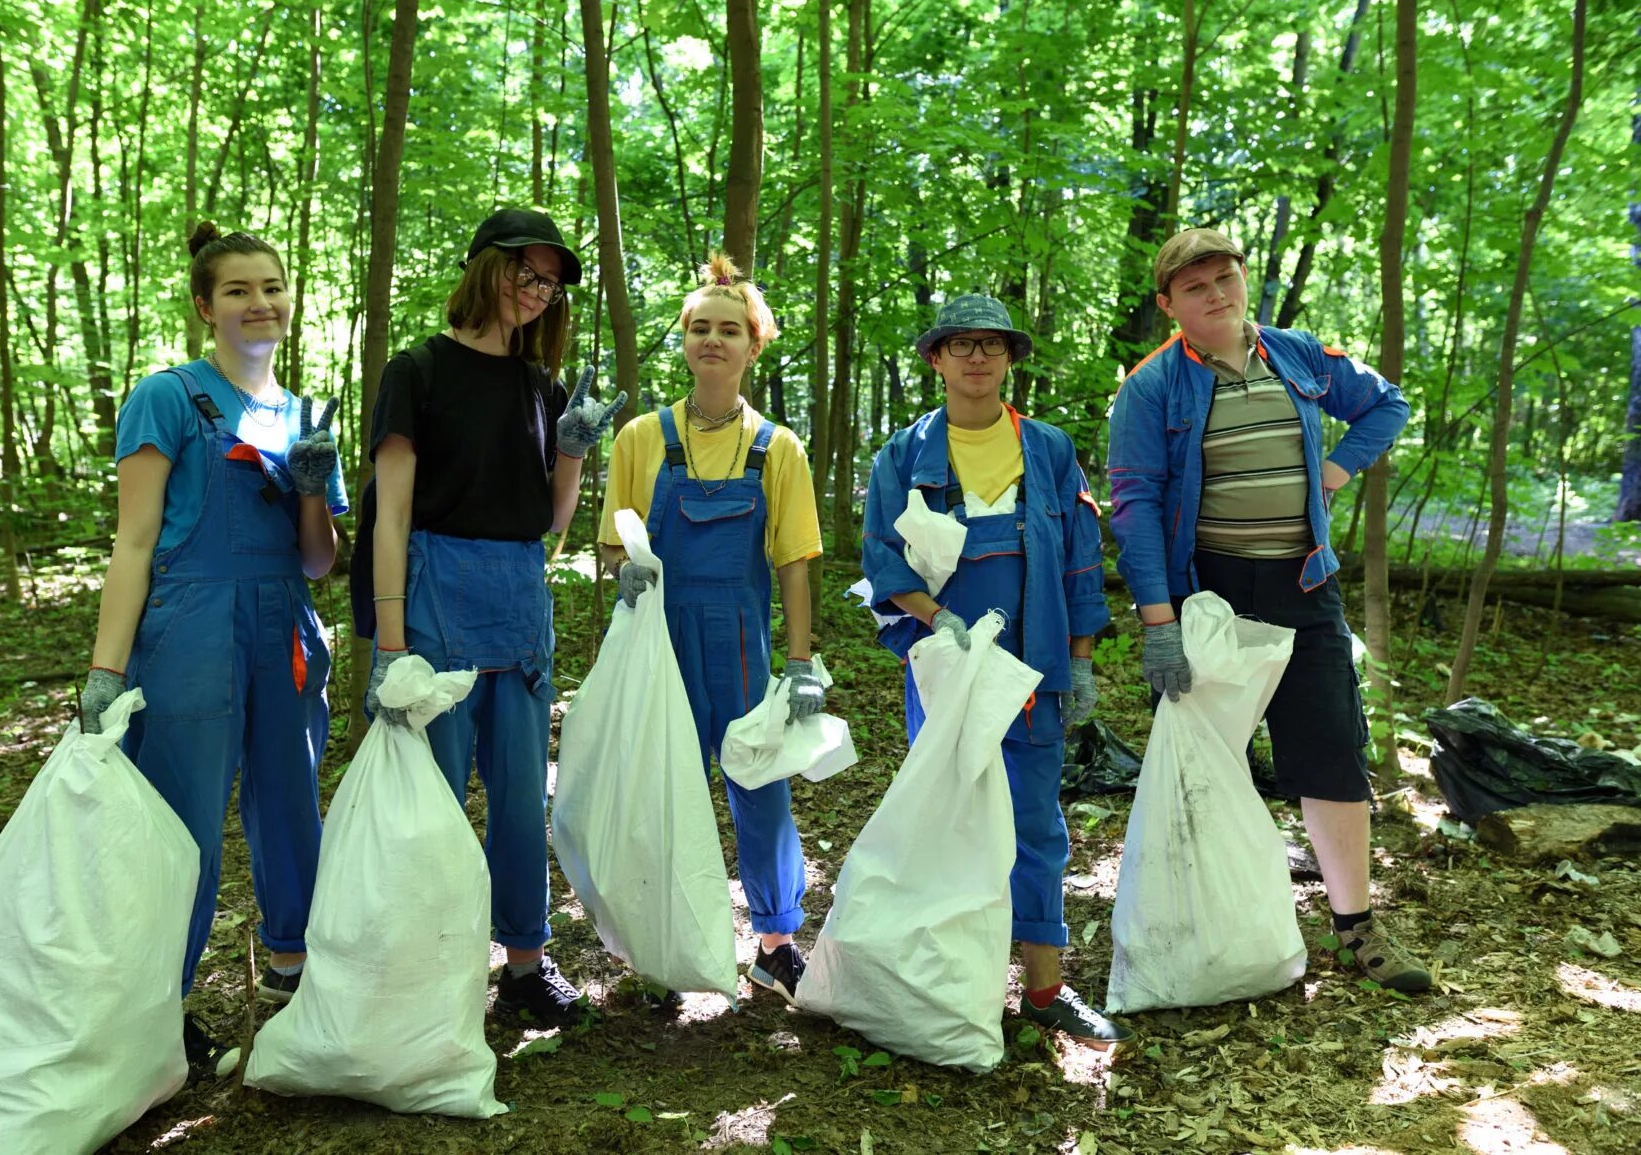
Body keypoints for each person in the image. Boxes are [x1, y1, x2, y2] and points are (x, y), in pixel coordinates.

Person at [1106, 228, 1428, 991]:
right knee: (1203, 763)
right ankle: (1188, 924)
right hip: (1212, 594)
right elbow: (1136, 505)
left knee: (1330, 750)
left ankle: (1357, 929)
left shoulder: (1299, 354)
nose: (1216, 293)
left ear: (1243, 280)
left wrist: (1341, 466)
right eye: (1195, 286)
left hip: (1306, 585)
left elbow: (1387, 404)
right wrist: (1159, 624)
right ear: (1167, 305)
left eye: (1225, 277)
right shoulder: (1153, 387)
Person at [79, 223, 348, 1070]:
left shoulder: (305, 412)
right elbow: (134, 541)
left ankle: (292, 973)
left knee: (292, 801)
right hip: (192, 623)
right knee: (184, 821)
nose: (260, 303)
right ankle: (161, 1008)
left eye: (271, 287)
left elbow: (319, 559)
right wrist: (105, 669)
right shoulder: (166, 396)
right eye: (237, 290)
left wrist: (314, 490)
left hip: (286, 622)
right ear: (206, 307)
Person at [354, 207, 622, 1028]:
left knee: (517, 795)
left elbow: (547, 522)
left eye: (549, 282)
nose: (537, 291)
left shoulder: (540, 387)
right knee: (430, 798)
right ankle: (429, 965)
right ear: (482, 269)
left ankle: (525, 967)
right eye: (523, 272)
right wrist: (391, 642)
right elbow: (390, 516)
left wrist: (572, 449)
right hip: (433, 597)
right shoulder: (417, 372)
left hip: (517, 602)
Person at [860, 294, 1132, 1047]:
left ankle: (1044, 989)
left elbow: (1082, 561)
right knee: (947, 822)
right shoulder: (903, 455)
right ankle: (950, 986)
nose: (976, 356)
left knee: (1037, 827)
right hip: (944, 670)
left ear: (1010, 358)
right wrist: (936, 619)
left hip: (1035, 670)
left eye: (991, 344)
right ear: (936, 358)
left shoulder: (1047, 450)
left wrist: (1079, 662)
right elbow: (881, 560)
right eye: (960, 343)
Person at [597, 253, 824, 1007]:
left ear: (754, 345)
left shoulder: (777, 448)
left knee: (759, 782)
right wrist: (622, 574)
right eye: (700, 328)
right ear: (685, 342)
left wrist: (798, 662)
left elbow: (794, 560)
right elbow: (610, 542)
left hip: (740, 640)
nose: (713, 341)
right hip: (655, 638)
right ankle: (661, 953)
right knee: (663, 787)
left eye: (730, 330)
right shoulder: (639, 438)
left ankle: (775, 944)